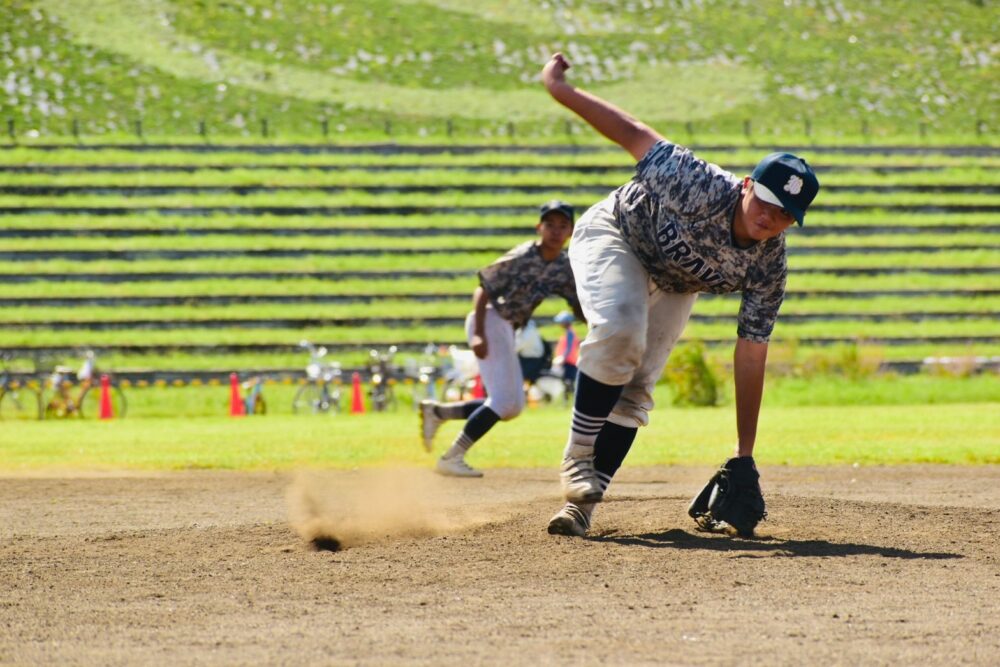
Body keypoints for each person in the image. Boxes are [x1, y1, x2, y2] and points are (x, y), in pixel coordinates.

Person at [540, 53, 820, 537]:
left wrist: (744, 452)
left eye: (785, 213)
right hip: (618, 235)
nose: (770, 218)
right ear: (747, 185)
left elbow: (751, 355)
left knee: (637, 388)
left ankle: (581, 507)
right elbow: (631, 132)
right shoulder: (699, 183)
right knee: (621, 329)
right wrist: (560, 90)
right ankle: (576, 458)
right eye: (766, 202)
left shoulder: (768, 263)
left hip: (675, 282)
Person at [419, 200, 586, 477]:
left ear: (570, 231)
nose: (556, 230)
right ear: (539, 227)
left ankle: (438, 413)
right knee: (505, 402)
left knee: (511, 406)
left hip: (507, 327)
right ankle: (452, 456)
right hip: (490, 319)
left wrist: (600, 319)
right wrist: (479, 335)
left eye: (563, 225)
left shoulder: (563, 265)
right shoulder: (524, 255)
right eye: (550, 224)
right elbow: (483, 288)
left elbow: (576, 303)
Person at [551, 310, 580, 387]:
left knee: (568, 382)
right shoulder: (569, 332)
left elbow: (569, 347)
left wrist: (562, 358)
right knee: (566, 382)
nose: (560, 324)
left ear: (566, 322)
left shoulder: (570, 333)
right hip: (568, 361)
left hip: (569, 361)